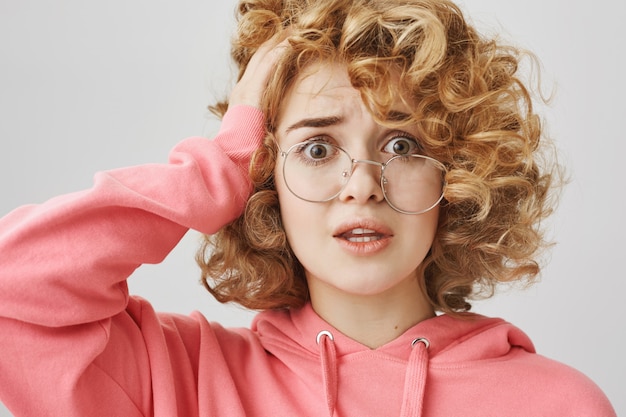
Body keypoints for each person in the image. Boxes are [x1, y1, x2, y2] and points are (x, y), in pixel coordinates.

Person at [0, 0, 616, 415]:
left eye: (401, 144)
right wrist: (219, 164)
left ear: (455, 174)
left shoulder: (557, 403)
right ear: (266, 176)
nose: (362, 185)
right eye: (318, 147)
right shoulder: (178, 379)